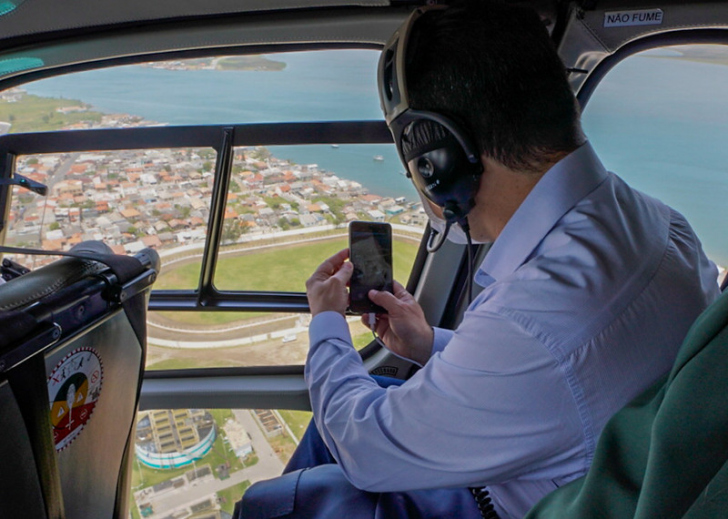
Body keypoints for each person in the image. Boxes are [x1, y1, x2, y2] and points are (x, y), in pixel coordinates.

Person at [234, 1, 719, 518]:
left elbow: (367, 454)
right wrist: (428, 343)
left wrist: (327, 322)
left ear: (435, 157)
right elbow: (556, 378)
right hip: (568, 471)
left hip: (505, 503)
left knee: (271, 503)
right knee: (353, 402)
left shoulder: (533, 315)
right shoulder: (664, 225)